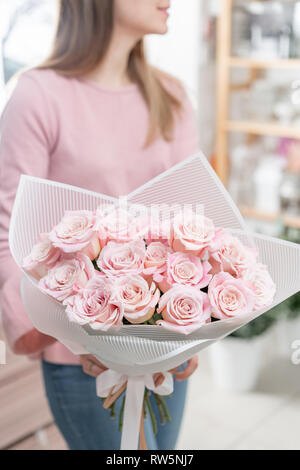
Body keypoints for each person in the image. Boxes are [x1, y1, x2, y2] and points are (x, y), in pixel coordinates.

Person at [0, 0, 200, 450]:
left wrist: (194, 328)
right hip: (79, 356)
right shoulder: (38, 95)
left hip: (164, 344)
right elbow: (7, 235)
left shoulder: (171, 96)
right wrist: (65, 334)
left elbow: (192, 227)